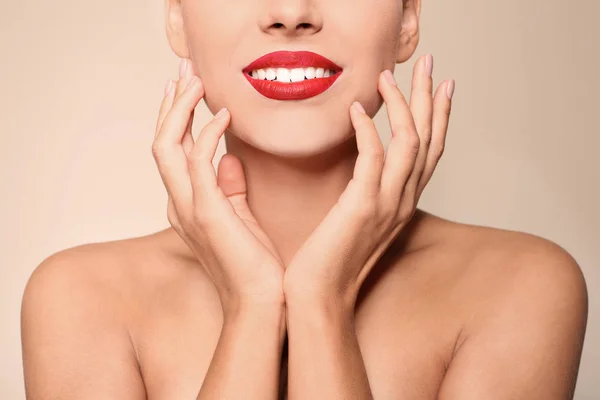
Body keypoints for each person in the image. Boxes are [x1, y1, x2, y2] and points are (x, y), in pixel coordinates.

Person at [21, 0, 588, 398]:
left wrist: (321, 300)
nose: (291, 11)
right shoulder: (79, 300)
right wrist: (252, 307)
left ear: (408, 19)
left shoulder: (520, 287)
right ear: (178, 17)